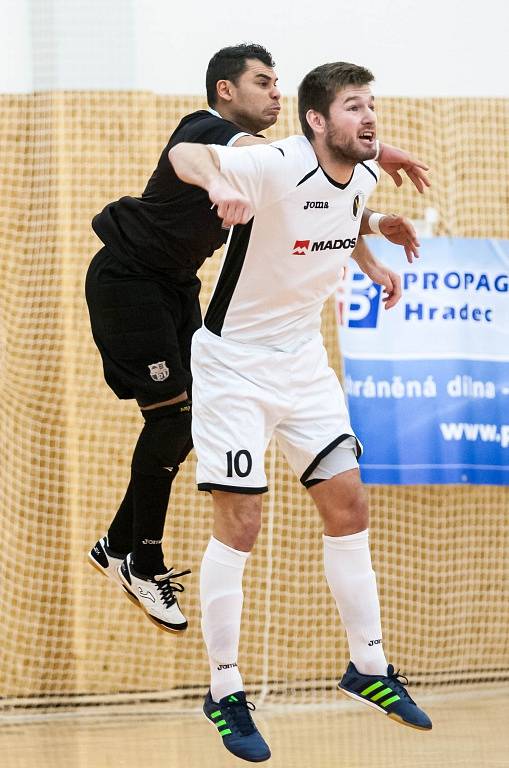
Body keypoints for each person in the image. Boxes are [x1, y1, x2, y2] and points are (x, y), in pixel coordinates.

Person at [86, 43, 428, 635]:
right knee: (172, 419)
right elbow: (188, 154)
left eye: (279, 84)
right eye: (263, 82)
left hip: (173, 286)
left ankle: (117, 546)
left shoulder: (274, 161)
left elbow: (319, 203)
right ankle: (138, 557)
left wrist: (373, 225)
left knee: (189, 420)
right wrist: (217, 184)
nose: (276, 93)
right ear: (226, 90)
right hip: (127, 280)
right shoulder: (210, 130)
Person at [169, 60, 432, 762]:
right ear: (316, 121)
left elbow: (336, 218)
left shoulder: (365, 176)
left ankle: (367, 668)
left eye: (372, 104)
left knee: (348, 508)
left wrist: (370, 253)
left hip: (303, 366)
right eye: (353, 106)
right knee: (243, 525)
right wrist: (221, 179)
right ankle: (223, 689)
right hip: (232, 368)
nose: (369, 117)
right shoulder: (273, 161)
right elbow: (185, 152)